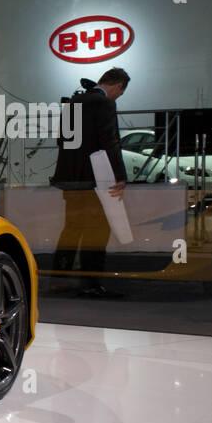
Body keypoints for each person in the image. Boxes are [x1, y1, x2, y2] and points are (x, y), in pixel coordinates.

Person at [50, 67, 128, 291]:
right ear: (118, 85)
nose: (118, 97)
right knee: (97, 230)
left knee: (72, 228)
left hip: (68, 179)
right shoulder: (105, 104)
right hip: (95, 179)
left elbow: (61, 140)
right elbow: (110, 141)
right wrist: (120, 176)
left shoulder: (73, 103)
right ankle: (90, 282)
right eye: (120, 93)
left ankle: (59, 278)